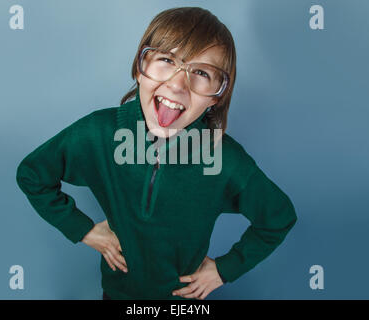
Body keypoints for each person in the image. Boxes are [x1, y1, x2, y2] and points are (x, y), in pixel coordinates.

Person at [16, 7, 298, 300]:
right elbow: (32, 174)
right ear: (140, 67)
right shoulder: (98, 133)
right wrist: (84, 230)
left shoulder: (225, 160)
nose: (177, 84)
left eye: (201, 72)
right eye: (166, 60)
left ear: (216, 97)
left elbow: (278, 217)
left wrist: (224, 269)